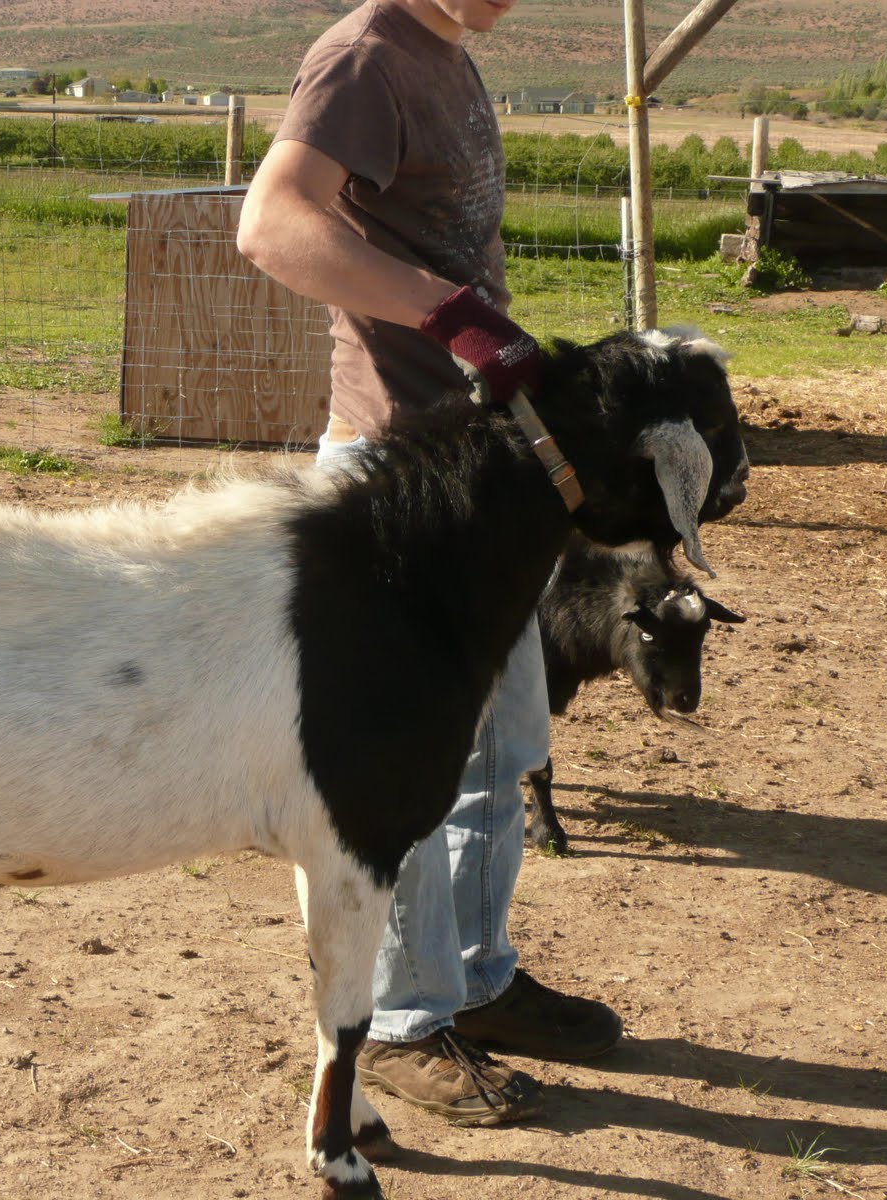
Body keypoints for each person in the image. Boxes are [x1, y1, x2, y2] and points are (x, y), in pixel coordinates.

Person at [237, 0, 622, 1128]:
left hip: (464, 457)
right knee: (416, 761)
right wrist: (448, 313)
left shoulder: (444, 50)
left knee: (502, 743)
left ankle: (474, 980)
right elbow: (270, 225)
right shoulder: (362, 59)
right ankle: (401, 1021)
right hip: (393, 473)